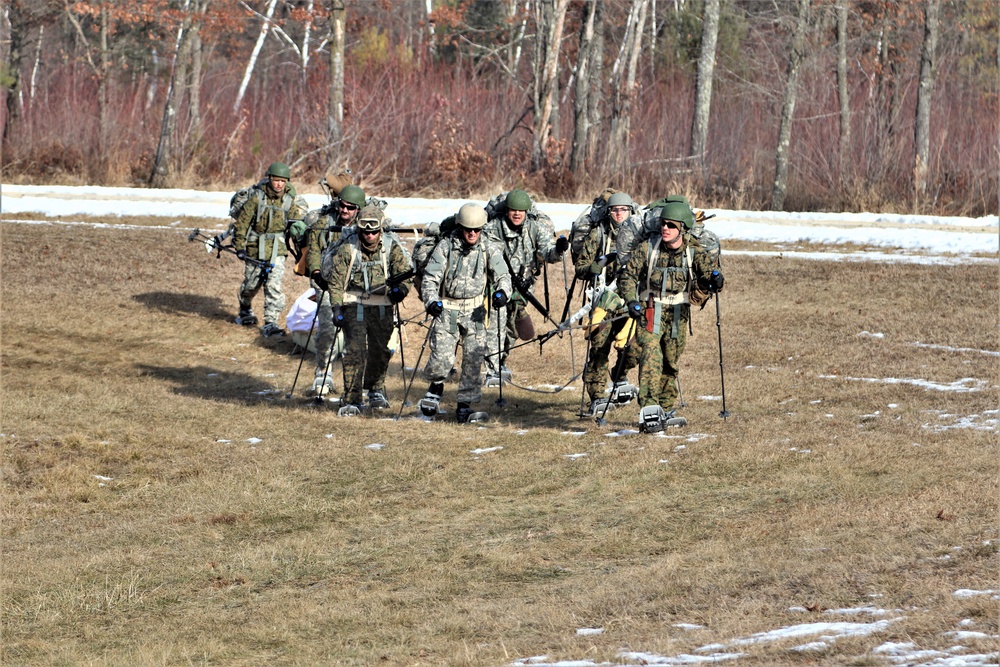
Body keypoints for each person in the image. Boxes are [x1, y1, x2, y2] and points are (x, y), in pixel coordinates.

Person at [616, 201, 724, 432]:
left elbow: (708, 274)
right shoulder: (648, 248)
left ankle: (664, 407)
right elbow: (627, 277)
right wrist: (632, 301)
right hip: (651, 310)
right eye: (663, 224)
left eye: (671, 225)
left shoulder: (693, 250)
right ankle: (649, 408)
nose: (665, 228)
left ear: (682, 228)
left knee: (670, 362)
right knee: (651, 356)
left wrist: (715, 280)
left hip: (678, 313)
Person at [418, 204, 512, 423]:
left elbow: (503, 275)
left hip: (476, 310)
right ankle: (435, 388)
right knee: (442, 356)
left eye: (477, 230)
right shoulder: (445, 247)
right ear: (460, 227)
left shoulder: (488, 247)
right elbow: (430, 278)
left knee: (473, 358)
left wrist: (502, 293)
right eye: (468, 229)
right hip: (448, 308)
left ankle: (464, 405)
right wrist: (431, 301)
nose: (472, 234)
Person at [320, 204, 412, 414]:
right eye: (365, 232)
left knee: (380, 351)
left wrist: (401, 290)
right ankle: (352, 398)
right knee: (355, 350)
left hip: (382, 307)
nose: (369, 236)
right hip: (355, 305)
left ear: (380, 230)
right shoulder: (348, 248)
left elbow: (406, 273)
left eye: (374, 232)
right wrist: (336, 307)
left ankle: (375, 388)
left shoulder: (391, 247)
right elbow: (336, 281)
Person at [482, 189, 568, 384]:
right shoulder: (493, 228)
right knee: (496, 325)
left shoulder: (535, 228)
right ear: (507, 211)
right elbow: (490, 256)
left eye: (521, 211)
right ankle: (492, 371)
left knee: (512, 327)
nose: (517, 214)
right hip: (497, 284)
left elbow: (547, 252)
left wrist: (558, 250)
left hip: (522, 287)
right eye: (513, 210)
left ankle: (501, 360)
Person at [574, 192, 640, 414]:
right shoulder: (598, 235)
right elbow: (581, 267)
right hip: (603, 300)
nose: (619, 214)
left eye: (624, 209)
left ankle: (620, 375)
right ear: (609, 212)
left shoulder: (639, 234)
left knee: (636, 347)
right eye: (615, 210)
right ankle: (597, 396)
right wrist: (591, 268)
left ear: (631, 211)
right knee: (599, 347)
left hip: (630, 301)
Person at [303, 183, 366, 397]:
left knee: (355, 333)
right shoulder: (325, 223)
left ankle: (355, 380)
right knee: (328, 329)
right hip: (327, 284)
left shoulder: (365, 225)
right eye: (342, 206)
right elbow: (313, 251)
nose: (345, 211)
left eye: (350, 208)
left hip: (355, 286)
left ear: (358, 209)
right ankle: (323, 372)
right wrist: (316, 273)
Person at [232, 161, 306, 337]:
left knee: (273, 286)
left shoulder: (289, 201)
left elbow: (296, 227)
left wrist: (300, 251)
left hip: (277, 249)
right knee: (251, 284)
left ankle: (270, 322)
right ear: (270, 179)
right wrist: (240, 246)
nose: (279, 184)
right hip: (255, 247)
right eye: (276, 180)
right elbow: (242, 223)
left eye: (283, 181)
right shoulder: (257, 197)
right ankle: (245, 307)